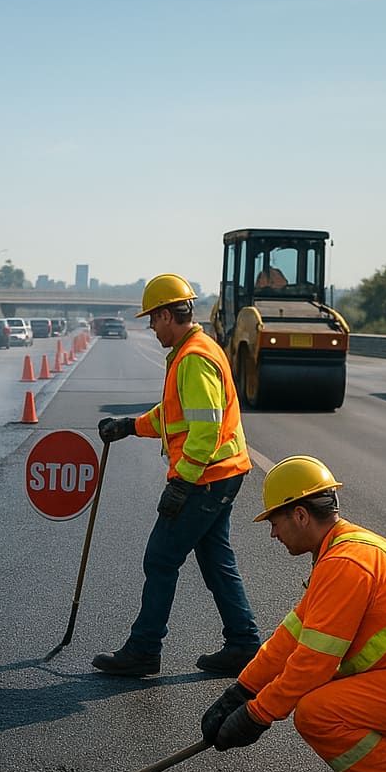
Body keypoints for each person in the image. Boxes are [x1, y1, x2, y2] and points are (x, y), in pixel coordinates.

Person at [201, 456, 386, 772]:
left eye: (275, 521)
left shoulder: (343, 564)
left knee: (318, 711)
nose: (273, 534)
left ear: (301, 515)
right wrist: (241, 690)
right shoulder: (347, 547)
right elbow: (291, 638)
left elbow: (312, 665)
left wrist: (257, 715)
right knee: (343, 685)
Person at [94, 273, 259, 678]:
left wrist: (183, 482)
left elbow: (204, 431)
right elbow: (175, 417)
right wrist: (130, 426)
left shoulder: (194, 358)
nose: (150, 327)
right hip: (223, 472)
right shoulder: (196, 350)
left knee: (161, 558)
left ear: (169, 315)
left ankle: (145, 649)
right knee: (215, 557)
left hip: (205, 477)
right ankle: (244, 642)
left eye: (153, 319)